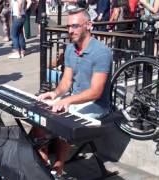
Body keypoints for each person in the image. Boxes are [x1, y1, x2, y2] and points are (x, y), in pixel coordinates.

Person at [36, 8, 112, 178]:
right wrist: (55, 94)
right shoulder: (70, 49)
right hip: (77, 99)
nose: (70, 30)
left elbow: (95, 92)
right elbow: (66, 82)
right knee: (39, 110)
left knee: (64, 119)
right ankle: (42, 160)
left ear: (89, 25)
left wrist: (67, 101)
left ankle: (59, 167)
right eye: (69, 26)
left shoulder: (101, 52)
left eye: (75, 26)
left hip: (97, 104)